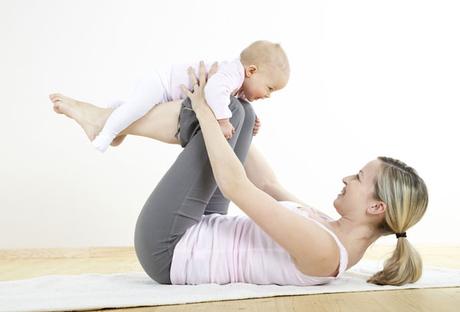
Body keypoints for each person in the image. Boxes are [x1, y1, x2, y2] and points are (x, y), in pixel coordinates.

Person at [50, 62, 428, 286]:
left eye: (359, 178)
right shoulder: (330, 229)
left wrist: (205, 108)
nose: (347, 179)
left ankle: (107, 122)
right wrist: (237, 126)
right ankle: (111, 124)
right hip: (202, 226)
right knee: (237, 111)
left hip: (168, 249)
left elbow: (236, 185)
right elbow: (267, 184)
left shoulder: (325, 250)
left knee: (218, 108)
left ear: (377, 207)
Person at [52, 40, 289, 153]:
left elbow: (236, 100)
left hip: (166, 93)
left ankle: (114, 112)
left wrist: (252, 120)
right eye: (269, 88)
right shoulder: (231, 73)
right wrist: (223, 120)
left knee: (138, 108)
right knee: (137, 107)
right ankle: (106, 132)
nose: (268, 95)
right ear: (251, 71)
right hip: (161, 82)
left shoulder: (239, 82)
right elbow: (215, 91)